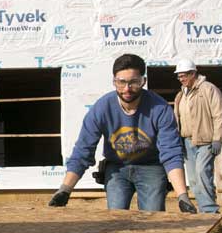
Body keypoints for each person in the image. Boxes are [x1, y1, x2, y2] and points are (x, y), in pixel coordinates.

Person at [49, 53, 196, 213]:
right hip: (117, 168)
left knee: (153, 217)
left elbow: (171, 152)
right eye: (121, 82)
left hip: (151, 167)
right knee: (116, 217)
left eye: (134, 82)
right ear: (114, 82)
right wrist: (65, 189)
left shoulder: (160, 108)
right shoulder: (102, 108)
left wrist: (182, 196)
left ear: (143, 82)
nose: (127, 89)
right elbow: (83, 149)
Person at [172, 58, 222, 214]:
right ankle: (204, 214)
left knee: (203, 174)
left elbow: (220, 115)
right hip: (187, 142)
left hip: (205, 141)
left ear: (193, 74)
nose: (181, 79)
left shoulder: (208, 89)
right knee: (194, 180)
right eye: (179, 76)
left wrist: (218, 138)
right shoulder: (180, 95)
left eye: (183, 75)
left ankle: (210, 213)